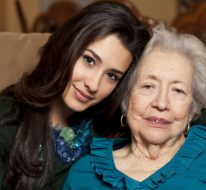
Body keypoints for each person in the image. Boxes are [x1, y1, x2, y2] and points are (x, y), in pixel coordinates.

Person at [63, 24, 206, 189]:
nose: (161, 103)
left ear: (192, 110)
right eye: (148, 86)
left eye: (178, 91)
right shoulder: (85, 171)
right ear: (124, 99)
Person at [0, 1, 151, 189]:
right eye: (89, 60)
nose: (93, 85)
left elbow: (192, 115)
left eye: (111, 76)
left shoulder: (106, 120)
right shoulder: (7, 118)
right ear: (67, 46)